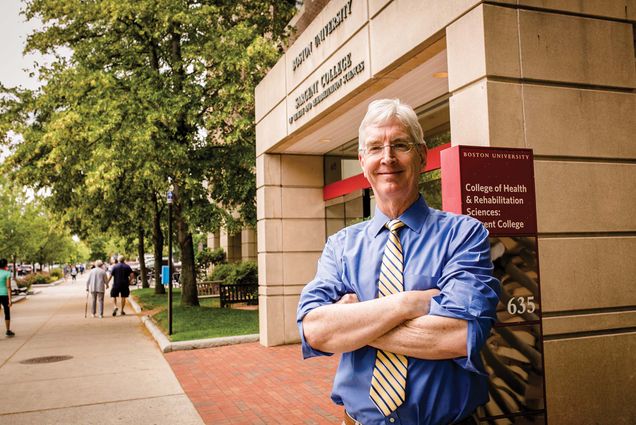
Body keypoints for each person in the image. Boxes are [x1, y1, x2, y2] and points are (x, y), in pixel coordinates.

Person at [297, 99, 500, 425]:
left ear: (421, 155)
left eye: (400, 145)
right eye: (375, 147)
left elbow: (459, 336)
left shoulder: (463, 235)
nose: (387, 157)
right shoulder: (341, 246)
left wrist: (353, 321)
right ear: (363, 161)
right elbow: (314, 330)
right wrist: (407, 304)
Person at [0, 259, 15, 337]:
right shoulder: (7, 273)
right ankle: (8, 330)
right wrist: (10, 299)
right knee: (6, 312)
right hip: (4, 295)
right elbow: (8, 287)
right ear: (6, 265)